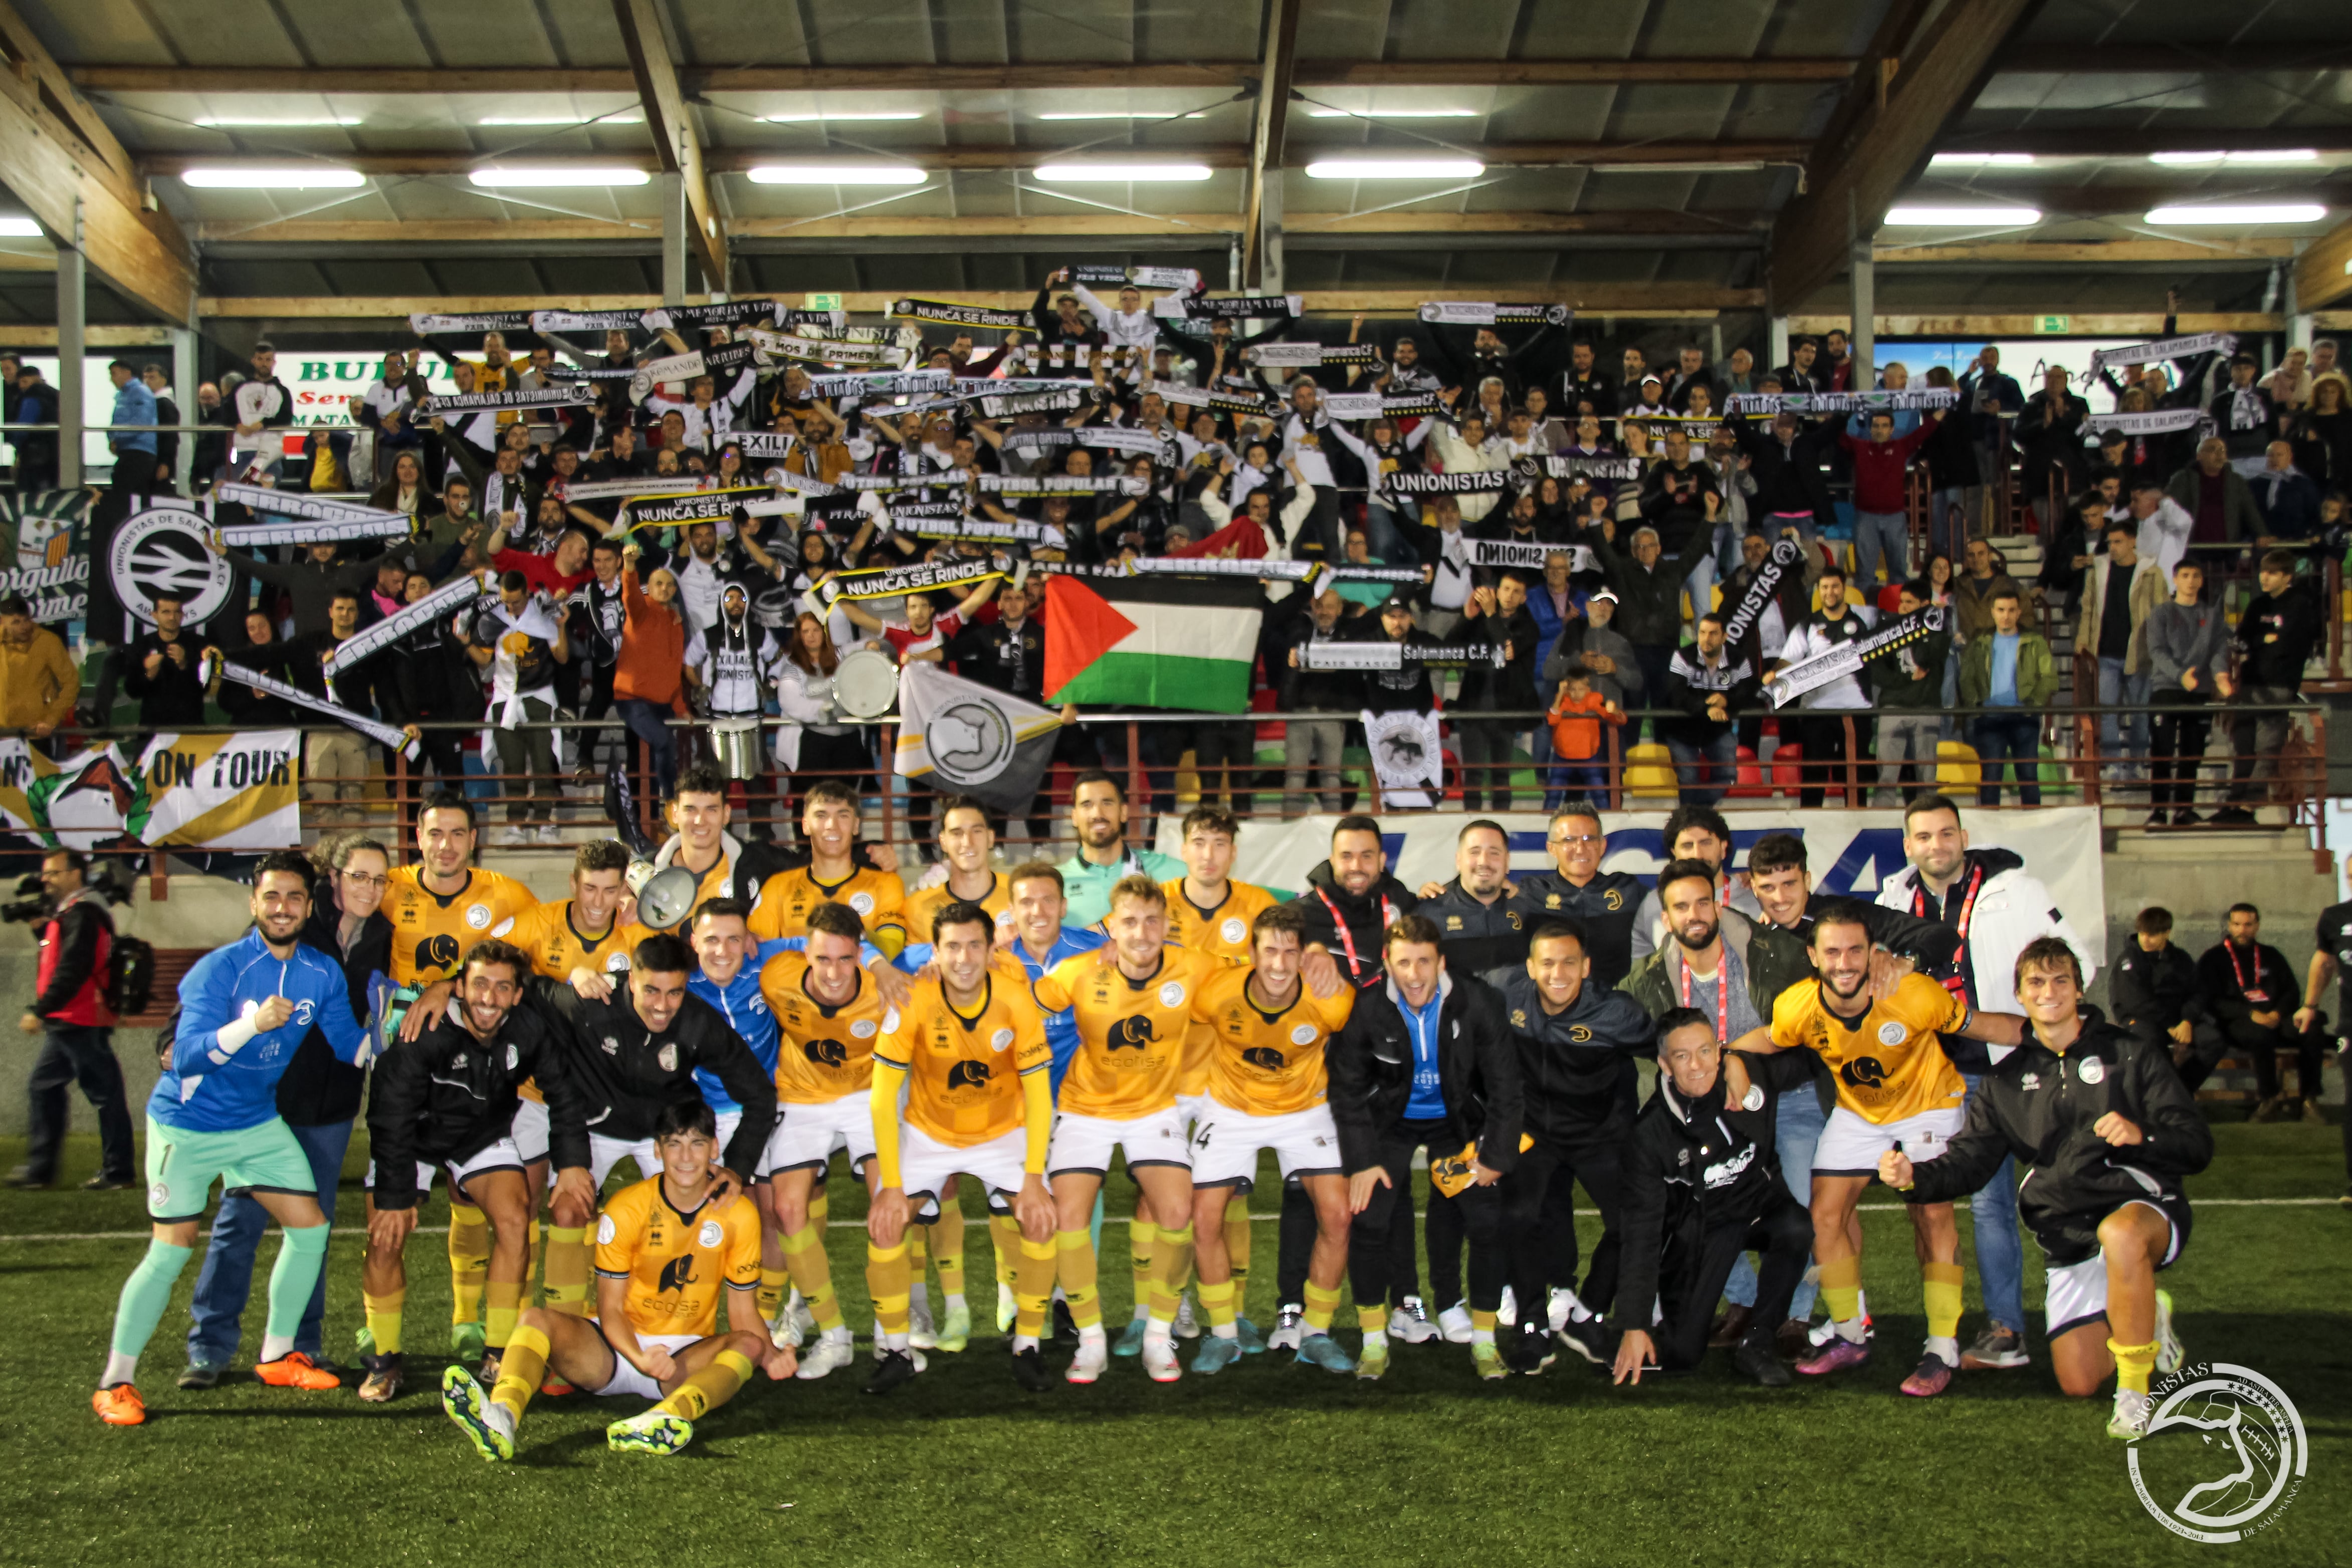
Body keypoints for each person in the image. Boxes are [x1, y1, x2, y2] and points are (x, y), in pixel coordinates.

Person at [1883, 936, 2210, 1439]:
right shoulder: (2004, 1081)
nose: (2049, 991)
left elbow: (2195, 1144)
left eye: (2061, 980)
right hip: (2067, 1229)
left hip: (2139, 1203)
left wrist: (2142, 1134)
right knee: (2077, 1382)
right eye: (2036, 982)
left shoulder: (2130, 1054)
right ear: (2020, 995)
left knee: (2121, 1235)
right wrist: (1915, 1179)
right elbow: (1970, 1164)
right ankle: (2147, 1315)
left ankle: (2134, 1394)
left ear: (2079, 990)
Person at [91, 854, 373, 1425]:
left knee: (311, 1228)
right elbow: (186, 1056)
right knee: (171, 1250)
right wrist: (254, 1024)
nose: (282, 908)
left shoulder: (321, 972)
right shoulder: (219, 970)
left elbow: (351, 1046)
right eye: (272, 897)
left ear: (309, 905)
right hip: (188, 1128)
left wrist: (398, 1025)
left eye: (294, 898)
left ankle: (276, 1355)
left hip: (255, 1125)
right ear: (254, 903)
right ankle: (116, 1381)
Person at [1727, 903, 2025, 1398]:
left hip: (1929, 1104)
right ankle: (1850, 1333)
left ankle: (1941, 1346)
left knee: (1931, 1218)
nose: (1844, 963)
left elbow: (1978, 1025)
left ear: (1872, 954)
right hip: (1860, 1111)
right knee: (1824, 1215)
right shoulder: (1798, 1004)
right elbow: (1774, 1037)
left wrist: (2051, 1032)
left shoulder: (1910, 993)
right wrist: (1729, 1054)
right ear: (1813, 956)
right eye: (1832, 952)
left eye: (1854, 951)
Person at [1877, 794, 2097, 1373]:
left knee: (2059, 1192)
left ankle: (2096, 1308)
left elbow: (2079, 963)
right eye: (1923, 837)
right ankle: (2000, 1330)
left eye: (1946, 834)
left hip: (2014, 1069)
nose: (1936, 846)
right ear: (1907, 845)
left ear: (1963, 836)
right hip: (1936, 1076)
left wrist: (2039, 1015)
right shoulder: (1893, 899)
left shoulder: (2014, 889)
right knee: (1974, 1204)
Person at [440, 1099, 792, 1460]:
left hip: (684, 1358)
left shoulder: (740, 1215)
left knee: (749, 1344)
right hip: (614, 1350)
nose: (686, 1157)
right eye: (674, 1143)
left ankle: (665, 1418)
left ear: (714, 1148)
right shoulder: (627, 1208)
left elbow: (743, 1313)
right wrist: (640, 1356)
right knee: (534, 1319)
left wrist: (772, 1354)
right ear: (657, 1150)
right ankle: (501, 1415)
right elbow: (609, 1310)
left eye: (697, 1143)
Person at [182, 834, 391, 1389]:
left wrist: (415, 1001)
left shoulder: (384, 935)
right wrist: (171, 1039)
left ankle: (302, 1346)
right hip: (267, 1104)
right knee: (240, 1222)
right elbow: (230, 980)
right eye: (358, 877)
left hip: (333, 1106)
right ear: (335, 880)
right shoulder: (293, 917)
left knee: (312, 1231)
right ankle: (210, 1347)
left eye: (378, 879)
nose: (368, 889)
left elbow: (392, 1001)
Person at [360, 938, 583, 1402]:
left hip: (478, 1134)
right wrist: (397, 1196)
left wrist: (574, 1165)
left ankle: (498, 1351)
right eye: (479, 984)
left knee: (515, 1221)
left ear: (517, 995)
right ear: (459, 986)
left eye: (503, 988)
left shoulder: (528, 1027)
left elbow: (563, 1093)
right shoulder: (427, 1027)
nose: (489, 997)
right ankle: (385, 1360)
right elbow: (389, 1110)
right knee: (385, 1235)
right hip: (414, 1139)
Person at [863, 901, 1061, 1395]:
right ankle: (895, 1350)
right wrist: (890, 1187)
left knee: (1040, 1216)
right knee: (886, 1224)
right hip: (930, 1134)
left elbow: (1039, 1096)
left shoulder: (1016, 999)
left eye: (975, 944)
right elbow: (882, 1099)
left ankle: (1028, 1345)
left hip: (1002, 1131)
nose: (965, 957)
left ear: (990, 947)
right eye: (952, 946)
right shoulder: (912, 999)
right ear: (935, 951)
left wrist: (1034, 1179)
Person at [1030, 877, 1222, 1384]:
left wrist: (1311, 955)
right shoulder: (1077, 971)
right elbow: (1025, 995)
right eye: (1130, 922)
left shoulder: (1194, 967)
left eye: (1152, 921)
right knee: (1068, 1218)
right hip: (1085, 1108)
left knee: (1179, 1212)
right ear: (1110, 928)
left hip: (1154, 1108)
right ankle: (1091, 1340)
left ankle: (1158, 1336)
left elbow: (1257, 975)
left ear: (1166, 927)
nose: (1141, 932)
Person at [1328, 914, 1519, 1380]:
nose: (1413, 975)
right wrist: (1362, 1160)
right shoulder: (1366, 1007)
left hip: (1455, 1126)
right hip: (1390, 1126)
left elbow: (1506, 1086)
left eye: (1423, 962)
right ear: (1388, 965)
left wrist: (1493, 1155)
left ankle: (1484, 1340)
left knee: (1485, 1221)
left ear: (1441, 962)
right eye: (1403, 963)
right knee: (1369, 1219)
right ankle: (1373, 1341)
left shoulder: (1479, 1003)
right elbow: (1347, 1089)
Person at [1186, 904, 1358, 1373]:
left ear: (1304, 955)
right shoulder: (1217, 992)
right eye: (1269, 952)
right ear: (1252, 953)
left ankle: (1316, 1332)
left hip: (1303, 1109)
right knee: (1203, 1220)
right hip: (1230, 1108)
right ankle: (1223, 1334)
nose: (1279, 964)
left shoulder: (1330, 999)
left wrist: (1326, 954)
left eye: (1290, 952)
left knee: (1338, 1216)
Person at [1610, 1007, 1815, 1388]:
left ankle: (1758, 1341)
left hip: (1758, 1208)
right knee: (1682, 1355)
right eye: (1682, 1056)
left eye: (1705, 1051)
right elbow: (1642, 1231)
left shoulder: (1749, 1076)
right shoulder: (1649, 1134)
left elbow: (1816, 1048)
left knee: (1796, 1225)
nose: (1696, 1066)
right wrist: (1634, 1325)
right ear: (1664, 1064)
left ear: (1719, 1052)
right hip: (1704, 1231)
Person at [1487, 919, 1658, 1376]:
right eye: (1546, 963)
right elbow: (1450, 994)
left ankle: (1588, 1314)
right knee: (1519, 1215)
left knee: (1635, 1218)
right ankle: (1530, 1322)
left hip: (1599, 1134)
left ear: (1585, 966)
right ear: (1529, 966)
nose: (1556, 973)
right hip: (1534, 1133)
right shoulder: (1505, 990)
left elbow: (1667, 1049)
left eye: (1568, 962)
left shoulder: (1617, 1012)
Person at [760, 902, 896, 1381]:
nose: (834, 973)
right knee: (789, 1210)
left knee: (889, 1204)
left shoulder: (884, 988)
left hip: (867, 1096)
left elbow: (928, 951)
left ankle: (890, 1335)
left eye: (844, 959)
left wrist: (884, 962)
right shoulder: (778, 975)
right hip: (803, 1098)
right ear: (805, 953)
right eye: (822, 959)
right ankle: (833, 1334)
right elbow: (741, 947)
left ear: (860, 953)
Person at [11, 849, 130, 1192]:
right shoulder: (76, 913)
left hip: (79, 1015)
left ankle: (115, 1171)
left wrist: (40, 1008)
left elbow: (75, 967)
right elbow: (66, 957)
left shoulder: (84, 912)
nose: (45, 879)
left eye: (53, 873)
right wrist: (40, 930)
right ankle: (43, 1168)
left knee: (101, 1092)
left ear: (75, 875)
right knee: (46, 1087)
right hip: (75, 1015)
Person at [2214, 549, 2319, 825]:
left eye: (2272, 573)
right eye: (2262, 571)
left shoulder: (2299, 604)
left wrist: (2262, 643)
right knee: (2244, 745)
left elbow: (2290, 645)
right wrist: (2265, 640)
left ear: (2287, 576)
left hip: (2280, 684)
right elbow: (2242, 642)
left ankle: (2250, 804)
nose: (2264, 577)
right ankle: (2235, 802)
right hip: (2250, 683)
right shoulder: (2258, 605)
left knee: (2267, 747)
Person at [747, 778, 908, 953]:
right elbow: (756, 950)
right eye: (821, 816)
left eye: (843, 815)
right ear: (805, 826)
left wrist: (856, 936)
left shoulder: (886, 884)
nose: (832, 825)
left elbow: (892, 949)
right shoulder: (778, 886)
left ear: (856, 826)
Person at [2190, 903, 2318, 1121]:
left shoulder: (2271, 955)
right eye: (2237, 925)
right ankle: (2270, 1098)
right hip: (2238, 1022)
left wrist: (2278, 1013)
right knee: (2261, 1036)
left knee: (2311, 1029)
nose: (2243, 930)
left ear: (2257, 926)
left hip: (2276, 1017)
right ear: (2229, 925)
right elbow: (2210, 999)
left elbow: (2291, 991)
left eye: (2248, 925)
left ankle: (2309, 1098)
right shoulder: (2214, 958)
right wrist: (2249, 1013)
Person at [1769, 565, 1875, 808]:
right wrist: (1774, 673)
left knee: (1853, 775)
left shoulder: (1865, 619)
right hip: (1816, 711)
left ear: (1844, 589)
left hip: (1854, 711)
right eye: (1825, 587)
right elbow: (1788, 659)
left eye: (1835, 586)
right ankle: (1810, 821)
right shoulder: (1807, 624)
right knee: (1814, 773)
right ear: (1818, 591)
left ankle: (1858, 820)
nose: (1830, 592)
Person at [1517, 802, 1645, 989]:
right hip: (1553, 1006)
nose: (1580, 848)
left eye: (1589, 838)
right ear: (1551, 848)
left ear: (1602, 846)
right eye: (1569, 840)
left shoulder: (1628, 890)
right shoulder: (1530, 893)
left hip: (1618, 1006)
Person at [2075, 521, 2163, 784]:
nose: (2113, 548)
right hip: (2105, 652)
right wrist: (2083, 641)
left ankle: (2137, 762)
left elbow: (2162, 613)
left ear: (2133, 541)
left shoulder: (2152, 573)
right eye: (2110, 543)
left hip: (2141, 653)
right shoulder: (2098, 572)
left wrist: (2160, 647)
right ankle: (2113, 763)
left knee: (2140, 712)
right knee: (2108, 711)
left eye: (2118, 542)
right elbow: (2088, 609)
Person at [2146, 556, 2230, 826]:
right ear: (2176, 579)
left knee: (2192, 754)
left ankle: (2184, 808)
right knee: (2163, 752)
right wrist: (2180, 675)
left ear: (2202, 580)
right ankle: (2159, 810)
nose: (2191, 581)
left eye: (2195, 576)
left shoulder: (2211, 614)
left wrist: (2221, 675)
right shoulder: (2161, 613)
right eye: (2185, 576)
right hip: (2167, 689)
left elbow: (2219, 648)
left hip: (2199, 690)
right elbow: (2157, 651)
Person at [1959, 586, 2057, 807]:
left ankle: (2033, 822)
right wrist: (1977, 705)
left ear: (2019, 613)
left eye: (2011, 610)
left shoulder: (2035, 641)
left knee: (2029, 776)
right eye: (2001, 610)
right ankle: (1989, 829)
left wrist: (2033, 705)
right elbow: (1967, 677)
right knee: (1991, 777)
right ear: (1993, 612)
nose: (2006, 615)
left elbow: (2049, 677)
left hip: (2024, 716)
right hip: (1990, 717)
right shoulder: (1980, 642)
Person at [1053, 771, 1183, 930]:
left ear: (1123, 813)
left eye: (1107, 803)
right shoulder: (1054, 883)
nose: (1097, 814)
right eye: (1087, 805)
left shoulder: (1171, 870)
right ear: (1074, 817)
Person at [1660, 611, 1757, 807]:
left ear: (1724, 637)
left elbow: (1749, 693)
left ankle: (1696, 812)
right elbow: (1677, 696)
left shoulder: (1739, 660)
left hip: (1718, 731)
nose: (1707, 639)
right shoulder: (1682, 656)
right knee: (1688, 779)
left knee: (1728, 775)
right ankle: (1691, 819)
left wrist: (1726, 701)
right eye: (1703, 632)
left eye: (1713, 633)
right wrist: (1707, 707)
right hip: (1682, 730)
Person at [2108, 906, 2206, 1061]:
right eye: (2142, 934)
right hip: (2143, 1019)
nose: (2145, 940)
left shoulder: (2181, 959)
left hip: (2179, 1019)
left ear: (2167, 933)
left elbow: (2197, 992)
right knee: (2150, 1043)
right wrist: (2170, 1026)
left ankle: (2183, 1084)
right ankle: (2166, 1084)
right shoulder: (2129, 960)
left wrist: (2188, 1020)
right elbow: (2137, 1001)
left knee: (2212, 1039)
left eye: (2152, 935)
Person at [120, 594, 215, 729]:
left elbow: (205, 687)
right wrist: (149, 675)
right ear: (155, 615)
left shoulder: (199, 644)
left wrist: (184, 665)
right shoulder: (142, 645)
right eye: (166, 612)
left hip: (190, 727)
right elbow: (132, 691)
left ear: (182, 615)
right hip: (152, 728)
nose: (172, 617)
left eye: (177, 612)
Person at [0, 593, 78, 744]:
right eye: (16, 622)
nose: (24, 627)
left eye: (27, 620)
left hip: (37, 733)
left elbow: (71, 683)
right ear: (2, 622)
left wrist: (51, 720)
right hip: (3, 734)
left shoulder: (48, 642)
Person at [106, 360, 159, 501]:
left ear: (127, 372)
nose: (111, 379)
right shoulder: (122, 395)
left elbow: (141, 423)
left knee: (128, 494)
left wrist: (118, 439)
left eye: (114, 374)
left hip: (139, 451)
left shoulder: (140, 392)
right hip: (128, 451)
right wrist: (112, 439)